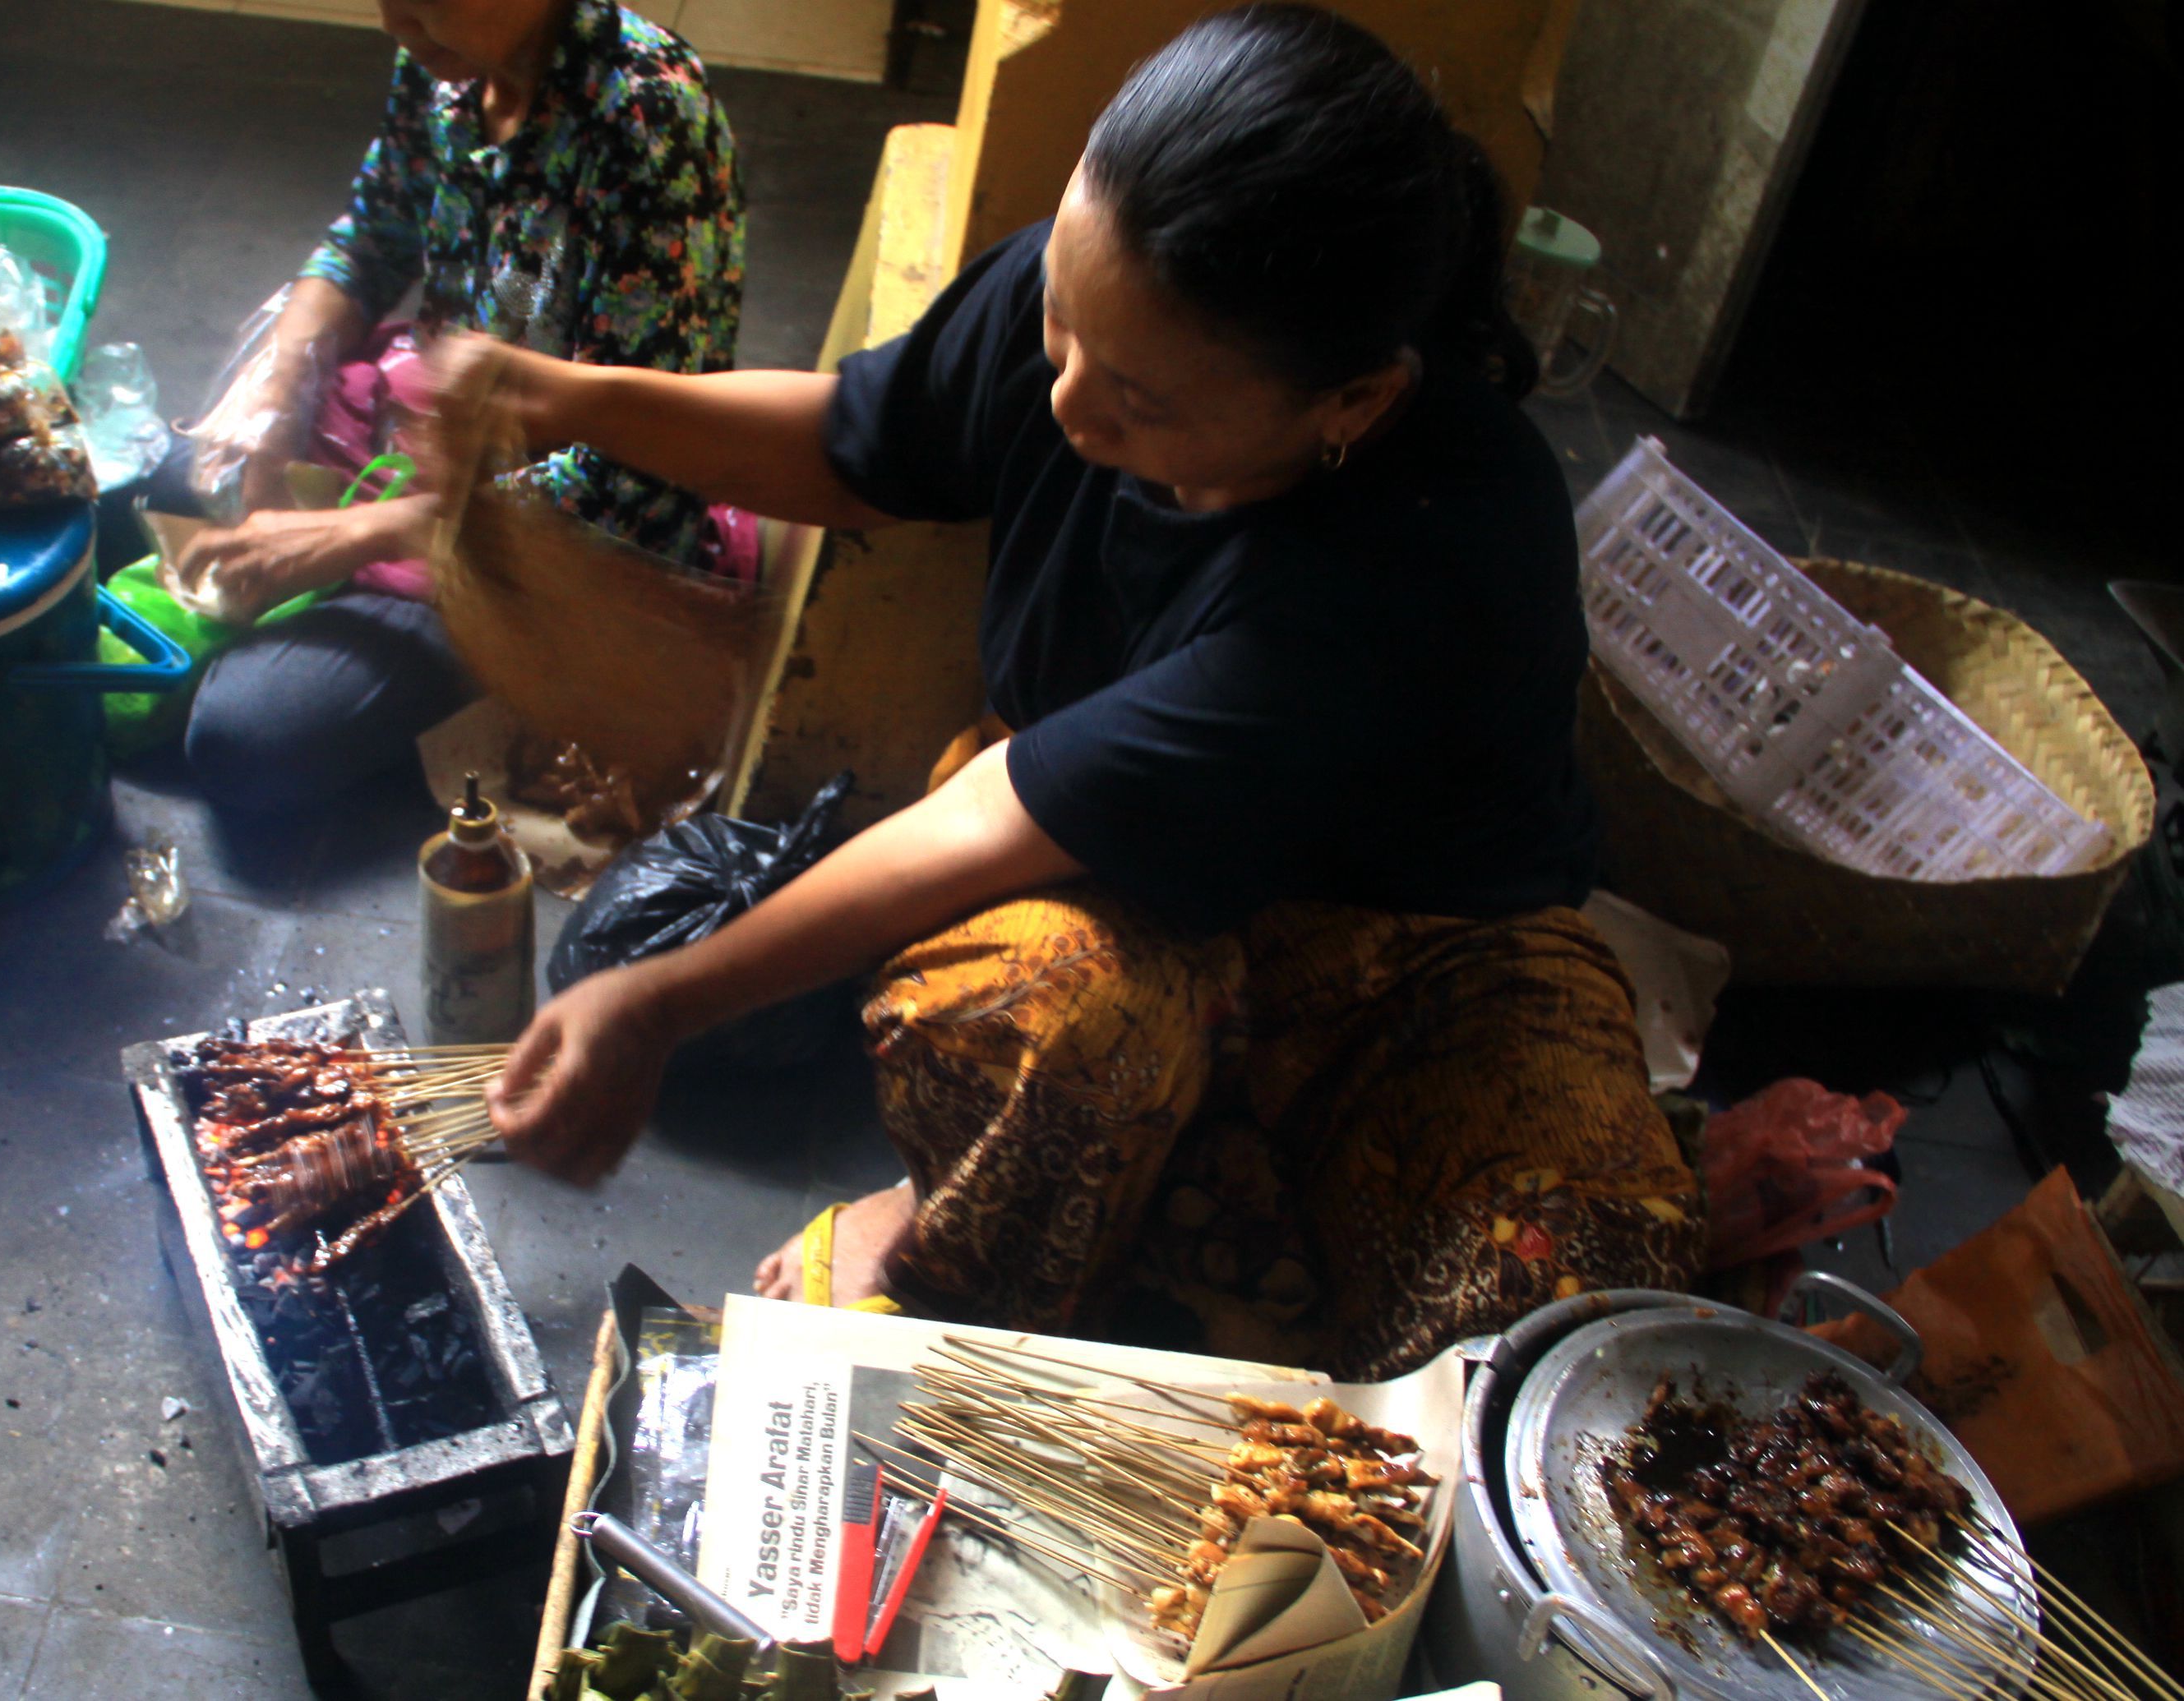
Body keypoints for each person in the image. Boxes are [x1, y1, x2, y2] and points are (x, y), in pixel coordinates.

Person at [457, 4, 1704, 1378]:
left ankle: (1161, 1215)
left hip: (1403, 959)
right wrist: (559, 395)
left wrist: (662, 1004)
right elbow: (855, 444)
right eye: (1057, 318)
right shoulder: (1115, 301)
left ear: (1347, 403)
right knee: (1038, 1017)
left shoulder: (1411, 563)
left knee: (1562, 1300)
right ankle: (1028, 1214)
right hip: (1129, 886)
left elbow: (1001, 813)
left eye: (1141, 402)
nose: (1065, 405)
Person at [155, 0, 745, 811]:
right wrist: (279, 385)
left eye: (430, 1)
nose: (399, 25)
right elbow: (371, 233)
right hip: (432, 448)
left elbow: (645, 471)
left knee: (245, 739)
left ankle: (517, 688)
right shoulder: (449, 65)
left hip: (553, 533)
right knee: (176, 472)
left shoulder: (648, 121)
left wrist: (356, 533)